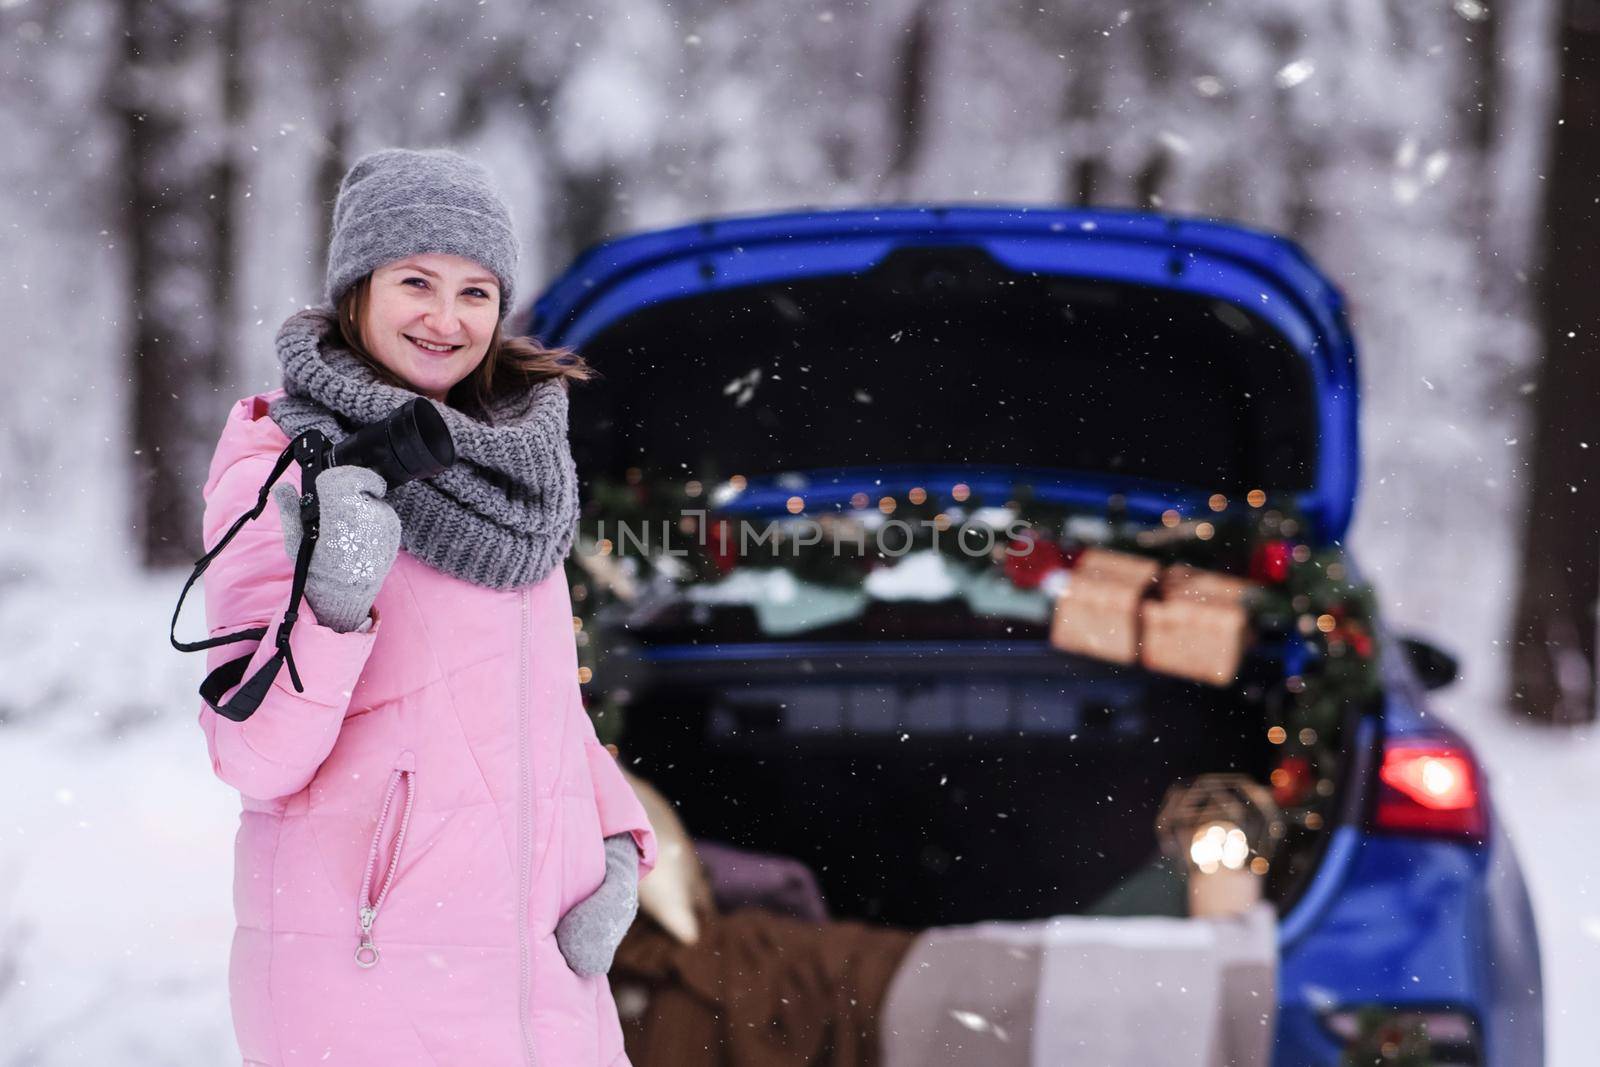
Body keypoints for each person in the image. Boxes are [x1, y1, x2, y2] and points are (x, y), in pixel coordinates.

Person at [196, 147, 657, 1066]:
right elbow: (251, 754)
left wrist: (613, 841)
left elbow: (533, 700)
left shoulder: (521, 473)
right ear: (357, 289)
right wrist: (332, 601)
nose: (447, 318)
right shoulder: (286, 462)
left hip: (541, 980)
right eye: (417, 281)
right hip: (370, 983)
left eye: (477, 291)